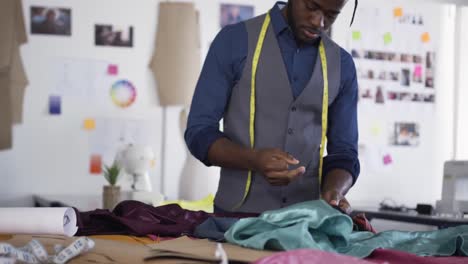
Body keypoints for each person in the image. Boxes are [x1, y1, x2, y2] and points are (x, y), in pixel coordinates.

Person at [185, 0, 360, 214]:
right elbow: (199, 132)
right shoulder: (234, 41)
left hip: (305, 224)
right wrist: (254, 160)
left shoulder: (343, 65)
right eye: (311, 7)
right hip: (234, 220)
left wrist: (335, 192)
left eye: (331, 15)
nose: (318, 22)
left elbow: (344, 152)